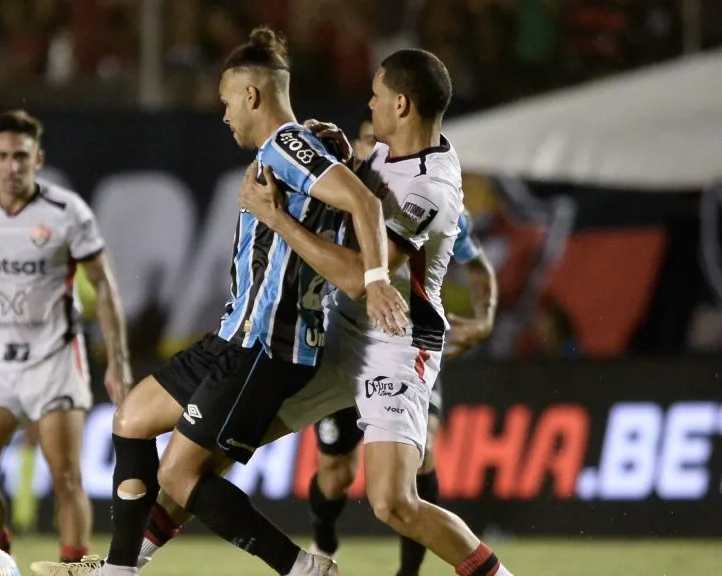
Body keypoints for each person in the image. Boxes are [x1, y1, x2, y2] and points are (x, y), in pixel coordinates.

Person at [31, 26, 408, 576]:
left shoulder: (287, 145)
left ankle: (302, 569)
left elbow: (363, 204)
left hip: (265, 345)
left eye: (227, 100)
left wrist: (375, 279)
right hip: (235, 335)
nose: (225, 114)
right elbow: (340, 188)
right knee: (132, 417)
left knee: (180, 476)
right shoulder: (300, 145)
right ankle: (118, 569)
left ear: (252, 95)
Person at [128, 49, 515, 576]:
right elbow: (352, 202)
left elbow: (360, 274)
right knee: (208, 451)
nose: (369, 104)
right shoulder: (389, 152)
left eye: (376, 95)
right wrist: (339, 157)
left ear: (401, 105)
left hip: (396, 345)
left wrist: (277, 219)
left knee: (393, 502)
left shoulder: (430, 190)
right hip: (339, 333)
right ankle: (124, 564)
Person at [304, 112, 498, 576]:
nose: (373, 150)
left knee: (418, 459)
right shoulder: (345, 190)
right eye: (365, 142)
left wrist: (486, 317)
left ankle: (409, 573)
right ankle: (323, 539)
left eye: (377, 142)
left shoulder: (427, 197)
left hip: (408, 344)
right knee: (335, 474)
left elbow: (478, 267)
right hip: (347, 342)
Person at [0, 110, 132, 562]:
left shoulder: (66, 212)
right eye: (2, 156)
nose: (12, 166)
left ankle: (73, 571)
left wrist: (118, 361)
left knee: (66, 478)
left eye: (21, 156)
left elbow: (105, 285)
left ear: (38, 159)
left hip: (56, 360)